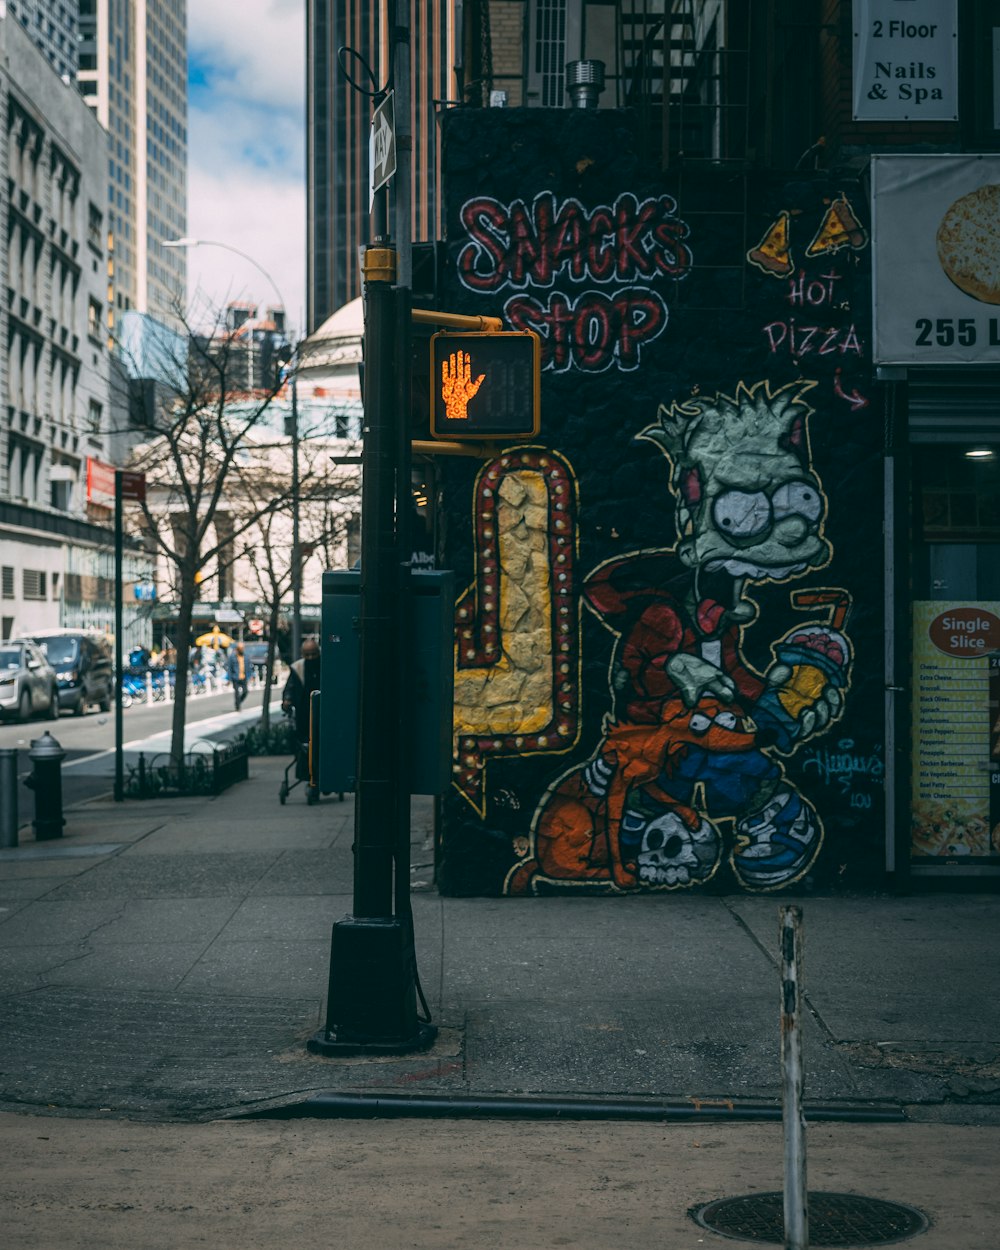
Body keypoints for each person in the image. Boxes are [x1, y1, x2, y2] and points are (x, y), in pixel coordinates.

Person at [281, 637, 321, 743]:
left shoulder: (324, 665)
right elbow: (290, 686)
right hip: (303, 711)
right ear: (302, 654)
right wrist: (287, 700)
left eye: (313, 654)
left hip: (322, 709)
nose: (311, 657)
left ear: (318, 652)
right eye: (307, 655)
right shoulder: (298, 667)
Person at [227, 641, 249, 710]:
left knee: (245, 692)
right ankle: (238, 707)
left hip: (243, 677)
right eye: (240, 648)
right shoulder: (232, 657)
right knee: (237, 693)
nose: (242, 649)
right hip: (235, 677)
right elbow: (230, 668)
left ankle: (238, 702)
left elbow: (248, 667)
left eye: (242, 648)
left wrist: (250, 675)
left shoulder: (245, 656)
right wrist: (229, 679)